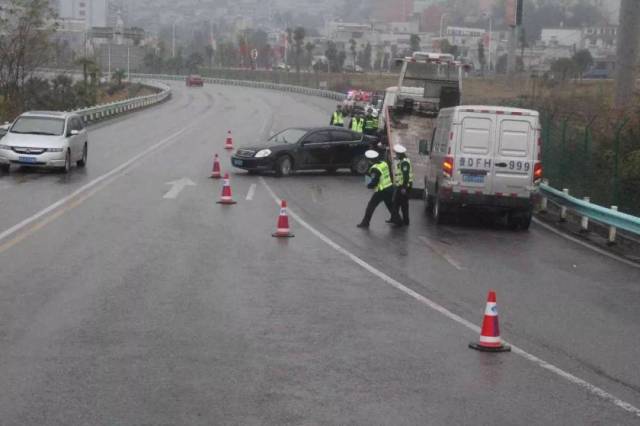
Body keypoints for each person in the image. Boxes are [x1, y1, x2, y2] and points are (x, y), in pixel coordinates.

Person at [357, 150, 395, 228]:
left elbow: (375, 181)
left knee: (371, 206)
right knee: (390, 205)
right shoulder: (384, 163)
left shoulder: (375, 169)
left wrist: (369, 186)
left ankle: (365, 223)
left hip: (381, 191)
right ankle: (398, 220)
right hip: (389, 187)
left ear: (371, 160)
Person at [389, 144, 413, 226]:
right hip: (401, 186)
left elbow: (405, 176)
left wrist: (404, 188)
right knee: (402, 204)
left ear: (400, 154)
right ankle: (404, 221)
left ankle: (400, 221)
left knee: (398, 204)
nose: (396, 155)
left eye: (397, 154)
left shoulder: (404, 163)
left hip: (403, 186)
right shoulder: (402, 161)